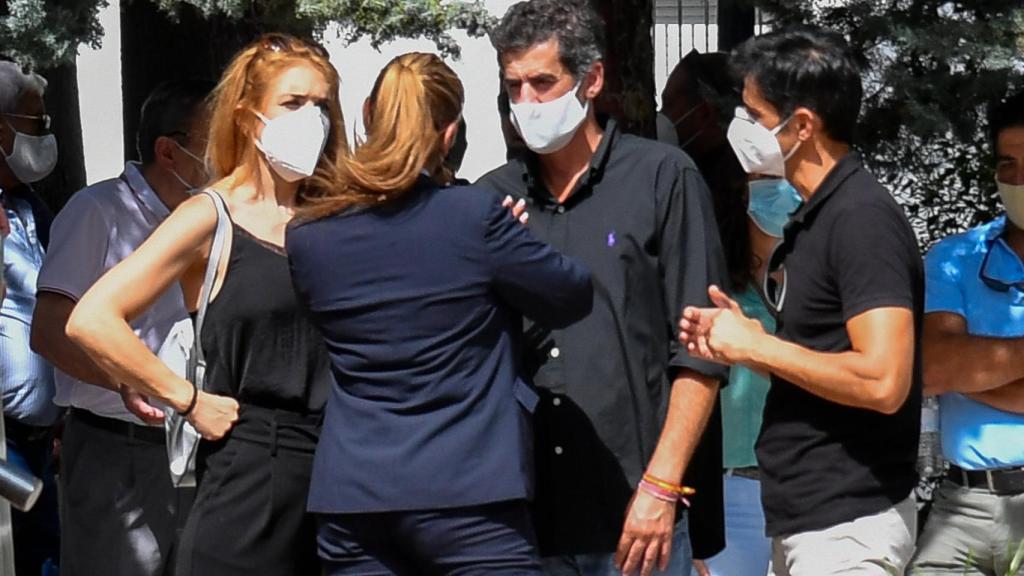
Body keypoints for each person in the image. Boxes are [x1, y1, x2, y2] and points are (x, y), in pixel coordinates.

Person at [287, 51, 591, 576]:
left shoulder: (309, 235)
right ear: (449, 133)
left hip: (353, 498)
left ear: (365, 116)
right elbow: (571, 294)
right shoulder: (474, 215)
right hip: (469, 493)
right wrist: (513, 246)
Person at [66, 33, 345, 576]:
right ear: (247, 118)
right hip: (250, 473)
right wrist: (187, 399)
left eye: (322, 106)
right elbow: (91, 319)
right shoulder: (210, 215)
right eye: (293, 103)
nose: (312, 120)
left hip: (338, 473)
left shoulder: (334, 217)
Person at [480, 2, 730, 575]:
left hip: (634, 519)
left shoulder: (663, 179)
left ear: (591, 79)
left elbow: (702, 350)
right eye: (514, 86)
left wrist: (662, 487)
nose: (528, 104)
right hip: (522, 519)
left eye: (544, 83)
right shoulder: (490, 199)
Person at [678, 26, 923, 575]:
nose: (739, 129)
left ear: (803, 125)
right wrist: (750, 345)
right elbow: (825, 366)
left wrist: (757, 350)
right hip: (807, 521)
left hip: (848, 527)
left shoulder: (861, 219)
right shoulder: (814, 220)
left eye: (755, 116)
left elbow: (883, 381)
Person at [30, 79, 213, 575]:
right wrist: (130, 380)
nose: (226, 155)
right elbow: (50, 331)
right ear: (168, 151)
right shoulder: (98, 211)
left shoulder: (209, 220)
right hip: (119, 450)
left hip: (197, 449)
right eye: (213, 142)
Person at [909, 91, 1024, 575]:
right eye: (1007, 164)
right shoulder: (956, 257)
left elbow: (950, 368)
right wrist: (953, 368)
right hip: (962, 503)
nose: (1017, 180)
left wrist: (972, 370)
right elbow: (932, 368)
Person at [0, 59, 60, 576]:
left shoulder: (27, 207)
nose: (46, 132)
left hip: (39, 440)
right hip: (3, 445)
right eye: (35, 121)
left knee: (46, 559)